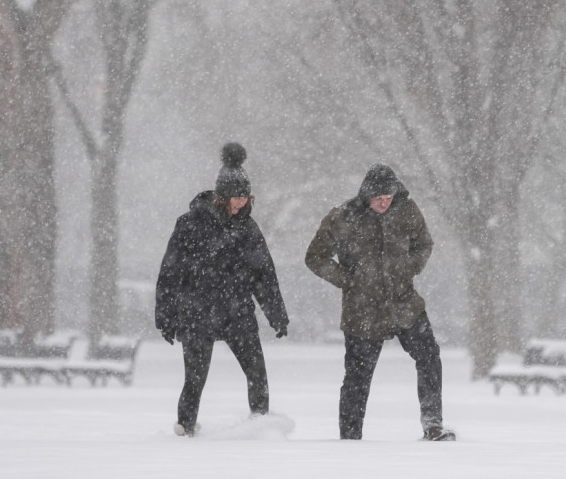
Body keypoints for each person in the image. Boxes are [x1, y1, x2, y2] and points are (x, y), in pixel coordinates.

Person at [305, 163, 455, 441]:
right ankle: (350, 438)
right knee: (357, 377)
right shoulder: (343, 217)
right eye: (378, 197)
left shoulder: (407, 211)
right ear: (366, 195)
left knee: (429, 357)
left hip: (405, 305)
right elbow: (315, 257)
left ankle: (433, 425)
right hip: (362, 310)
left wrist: (411, 267)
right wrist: (347, 280)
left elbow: (424, 244)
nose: (384, 201)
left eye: (388, 196)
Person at [155, 142, 289, 437]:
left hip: (237, 312)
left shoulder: (248, 229)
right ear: (221, 196)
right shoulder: (190, 224)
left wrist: (276, 313)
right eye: (236, 197)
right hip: (196, 313)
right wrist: (165, 315)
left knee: (257, 373)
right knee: (195, 378)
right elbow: (170, 273)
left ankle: (261, 426)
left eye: (246, 196)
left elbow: (263, 275)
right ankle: (185, 429)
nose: (242, 203)